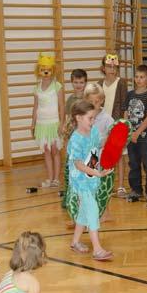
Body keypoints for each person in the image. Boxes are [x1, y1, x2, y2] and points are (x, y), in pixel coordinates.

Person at [67, 100, 113, 261]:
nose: (93, 122)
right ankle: (97, 249)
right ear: (78, 118)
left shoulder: (93, 131)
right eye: (90, 118)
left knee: (84, 211)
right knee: (92, 210)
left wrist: (111, 138)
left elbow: (99, 145)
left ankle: (75, 242)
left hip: (91, 176)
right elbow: (78, 164)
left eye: (94, 118)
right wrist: (97, 173)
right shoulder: (75, 140)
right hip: (81, 180)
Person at [122, 64, 147, 202]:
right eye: (136, 76)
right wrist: (127, 129)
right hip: (131, 137)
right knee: (133, 164)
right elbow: (126, 112)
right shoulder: (130, 94)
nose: (138, 79)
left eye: (142, 77)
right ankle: (136, 189)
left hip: (144, 137)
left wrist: (137, 132)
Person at [31, 53, 65, 188]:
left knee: (55, 150)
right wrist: (33, 125)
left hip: (54, 123)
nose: (46, 72)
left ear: (52, 71)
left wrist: (62, 123)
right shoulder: (36, 87)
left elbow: (62, 106)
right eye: (43, 69)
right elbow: (35, 107)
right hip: (41, 124)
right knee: (46, 151)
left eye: (48, 69)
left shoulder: (57, 86)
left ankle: (56, 178)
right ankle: (50, 178)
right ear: (38, 71)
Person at [83, 83, 115, 222]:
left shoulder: (106, 118)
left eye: (97, 101)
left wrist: (105, 140)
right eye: (91, 101)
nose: (94, 104)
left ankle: (106, 212)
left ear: (102, 100)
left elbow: (114, 133)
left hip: (102, 158)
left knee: (103, 186)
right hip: (88, 158)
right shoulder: (84, 116)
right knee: (89, 186)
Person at [98, 53, 128, 198]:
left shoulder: (121, 82)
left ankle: (121, 185)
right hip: (103, 125)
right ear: (103, 68)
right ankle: (106, 184)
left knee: (120, 155)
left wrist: (124, 125)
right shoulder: (99, 84)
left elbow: (124, 105)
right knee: (105, 155)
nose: (111, 69)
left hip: (116, 124)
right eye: (109, 66)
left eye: (114, 67)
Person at [62, 69, 87, 209]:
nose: (78, 85)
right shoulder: (70, 100)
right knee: (70, 169)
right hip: (72, 139)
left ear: (85, 83)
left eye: (81, 82)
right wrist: (65, 137)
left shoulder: (87, 99)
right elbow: (67, 119)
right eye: (76, 82)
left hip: (84, 139)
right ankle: (70, 196)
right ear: (72, 82)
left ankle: (83, 197)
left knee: (82, 168)